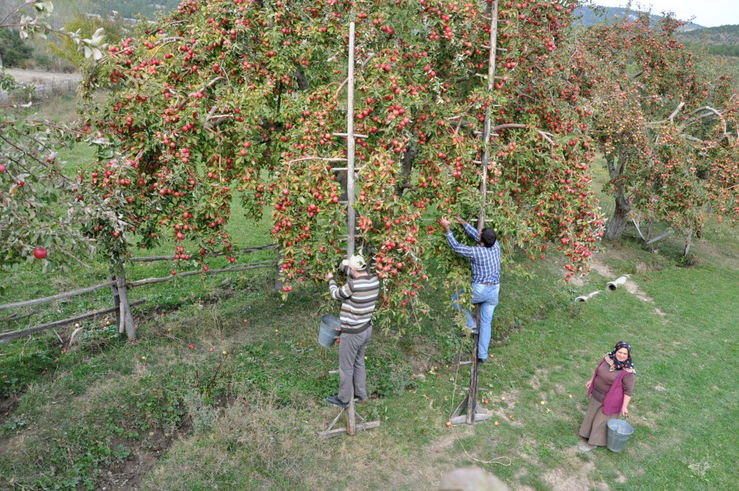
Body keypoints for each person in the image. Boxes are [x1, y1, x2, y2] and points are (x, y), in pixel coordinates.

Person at [439, 216, 501, 364]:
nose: (478, 234)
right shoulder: (496, 245)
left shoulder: (476, 252)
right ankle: (483, 355)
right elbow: (477, 236)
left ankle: (470, 325)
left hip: (481, 289)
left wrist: (447, 229)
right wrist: (464, 223)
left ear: (481, 242)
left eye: (480, 235)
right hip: (494, 291)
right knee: (486, 322)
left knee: (456, 300)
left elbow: (456, 247)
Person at [324, 254, 380, 408]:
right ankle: (361, 394)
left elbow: (336, 294)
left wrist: (331, 279)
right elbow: (356, 274)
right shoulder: (374, 280)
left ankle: (343, 399)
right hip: (366, 329)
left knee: (346, 367)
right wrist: (343, 268)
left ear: (354, 270)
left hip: (352, 333)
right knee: (359, 362)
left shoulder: (353, 286)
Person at [578, 341, 636, 452]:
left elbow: (628, 391)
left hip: (611, 401)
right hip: (597, 394)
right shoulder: (608, 358)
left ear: (628, 355)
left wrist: (624, 407)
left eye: (625, 354)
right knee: (591, 415)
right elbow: (598, 370)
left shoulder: (628, 372)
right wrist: (592, 380)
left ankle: (593, 443)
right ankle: (585, 433)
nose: (622, 355)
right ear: (616, 351)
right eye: (620, 352)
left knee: (600, 421)